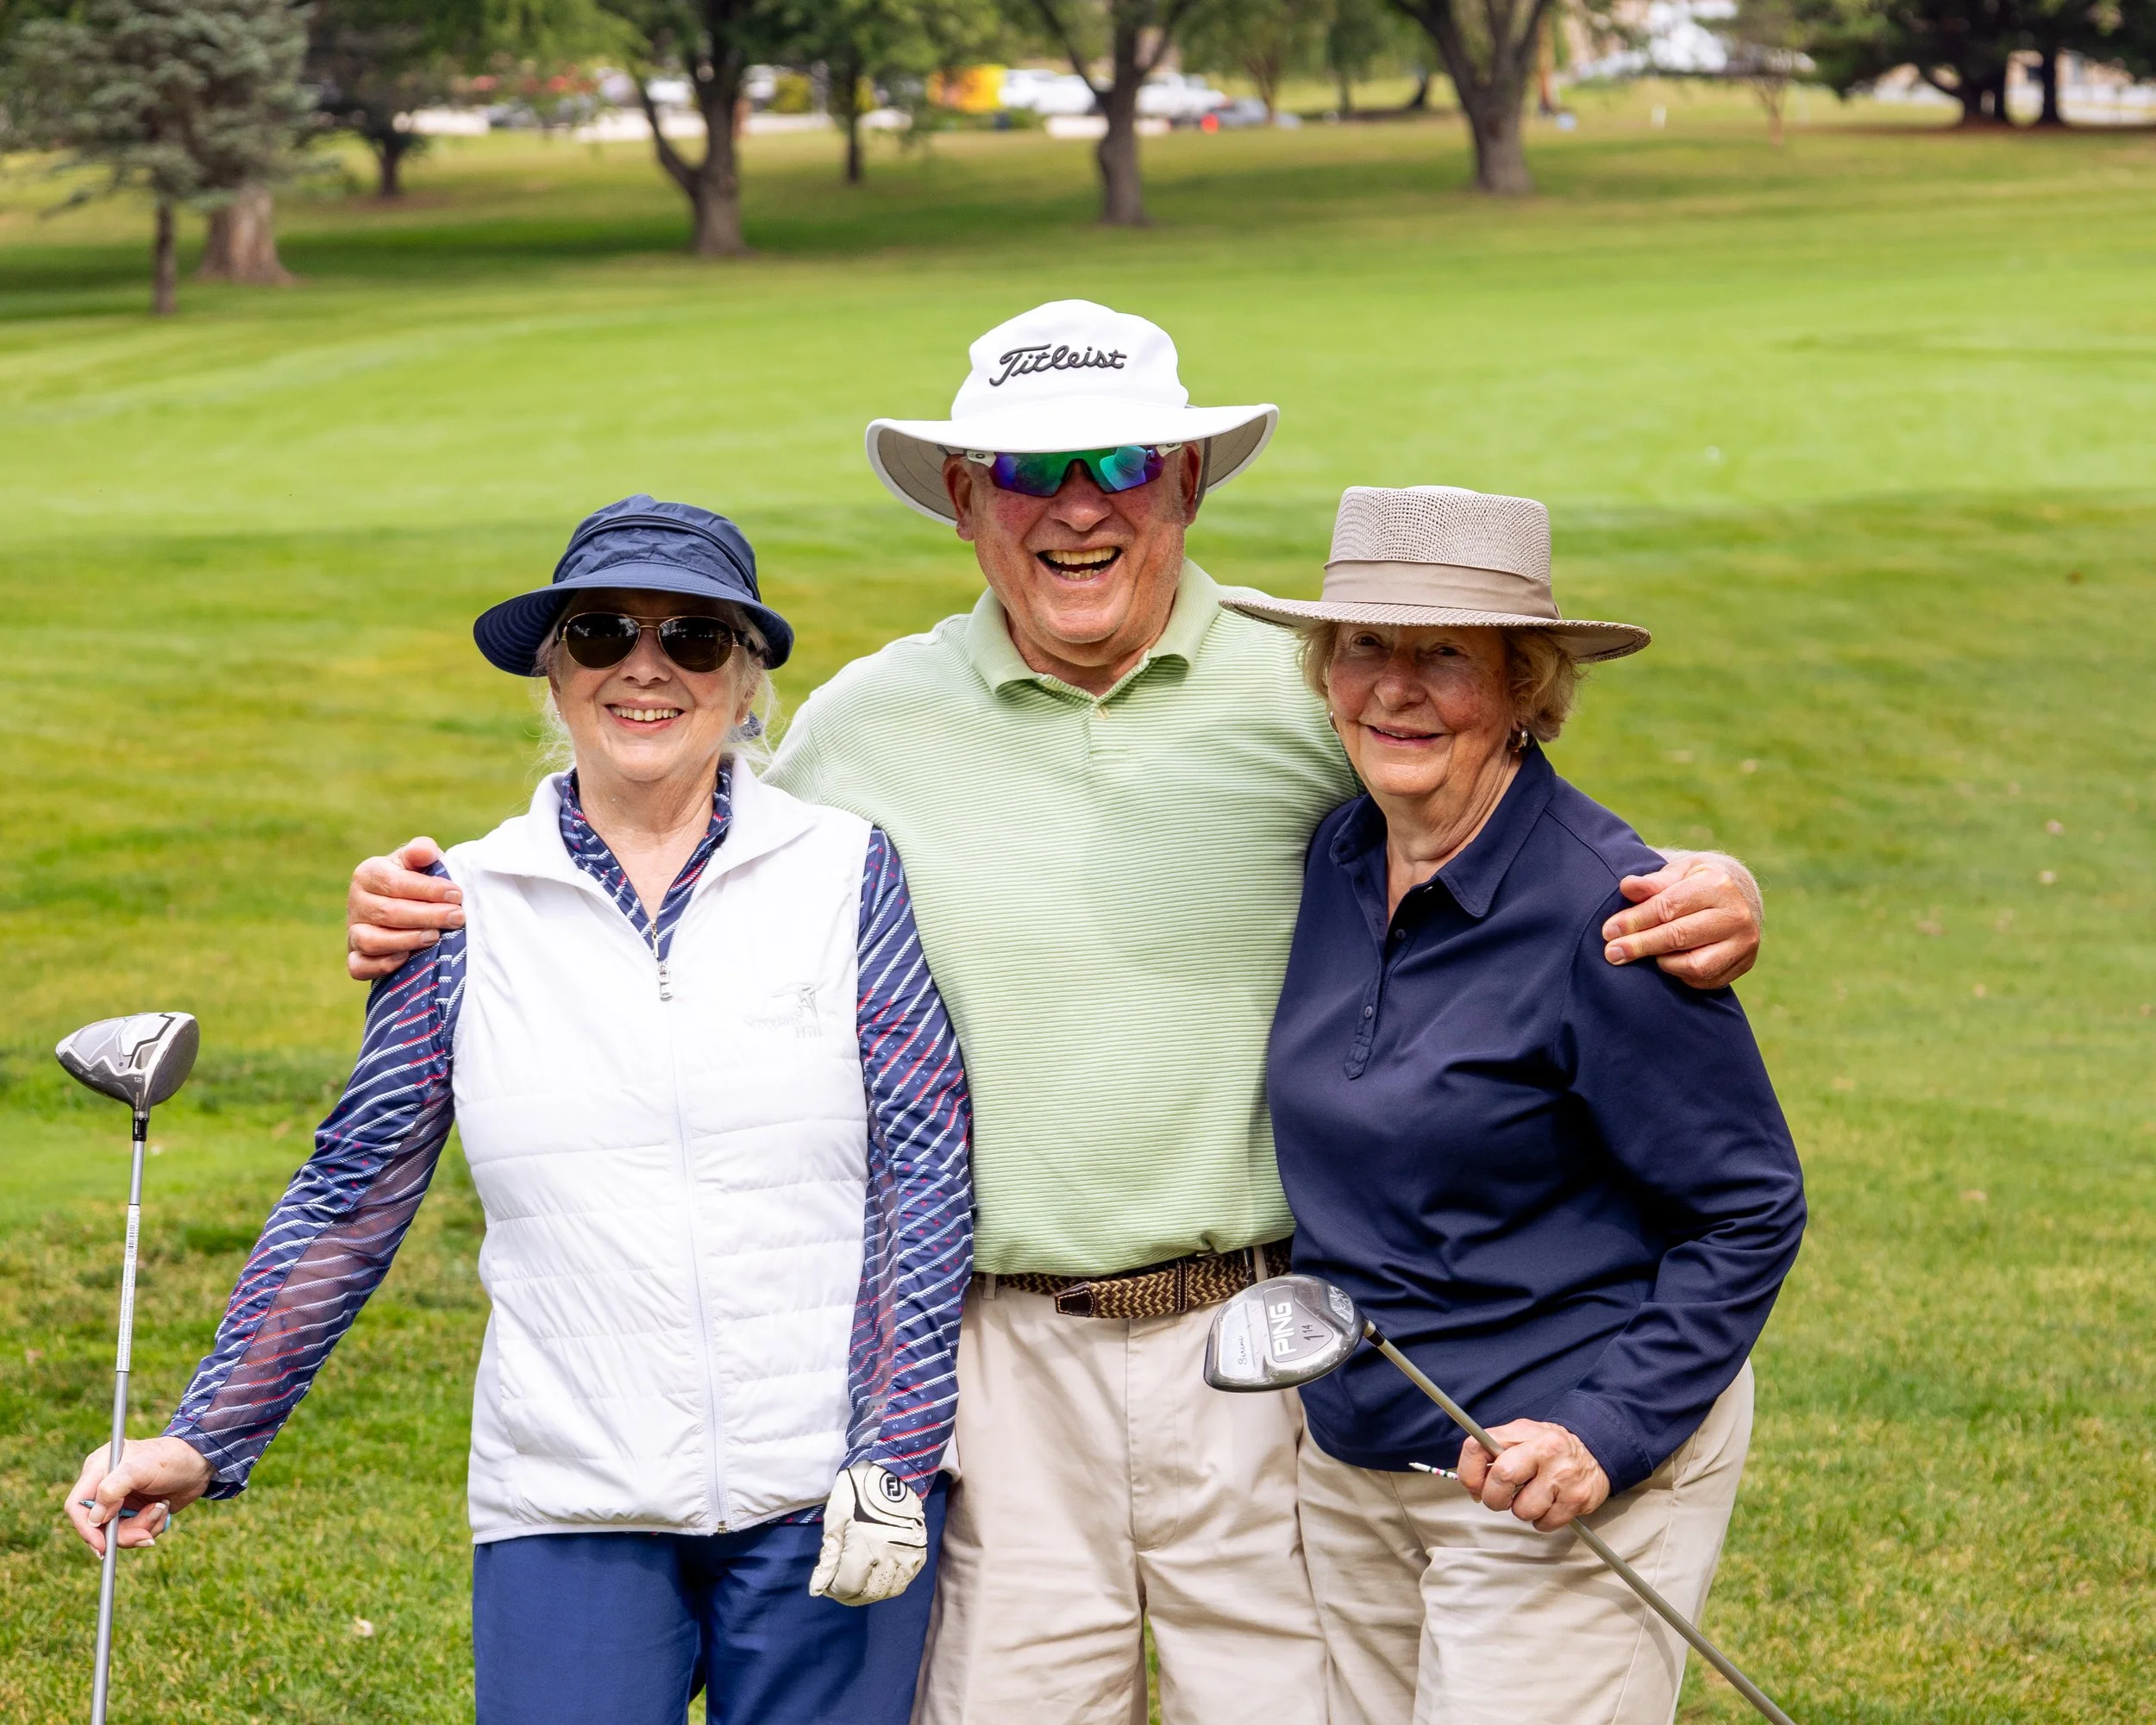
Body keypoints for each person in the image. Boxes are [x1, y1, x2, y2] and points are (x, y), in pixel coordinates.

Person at [342, 304, 1768, 1725]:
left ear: (1189, 483)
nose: (1077, 510)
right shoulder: (864, 723)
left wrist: (1719, 887)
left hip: (1270, 1349)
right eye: (1029, 474)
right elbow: (677, 868)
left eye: (1123, 464)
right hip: (999, 1362)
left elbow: (1505, 834)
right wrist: (451, 896)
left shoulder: (1315, 700)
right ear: (965, 500)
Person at [64, 499, 973, 1725]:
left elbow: (924, 1163)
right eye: (601, 632)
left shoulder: (847, 870)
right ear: (553, 670)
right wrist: (204, 1437)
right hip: (567, 1502)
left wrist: (896, 1455)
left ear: (745, 679)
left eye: (695, 639)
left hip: (827, 1494)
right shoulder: (456, 910)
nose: (645, 666)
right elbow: (356, 1190)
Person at [1222, 484, 1807, 1725]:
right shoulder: (1338, 856)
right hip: (1362, 1453)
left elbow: (1746, 1209)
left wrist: (1602, 1432)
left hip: (1552, 1454)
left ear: (1526, 687)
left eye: (1446, 655)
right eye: (1366, 647)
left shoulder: (1610, 915)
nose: (1395, 687)